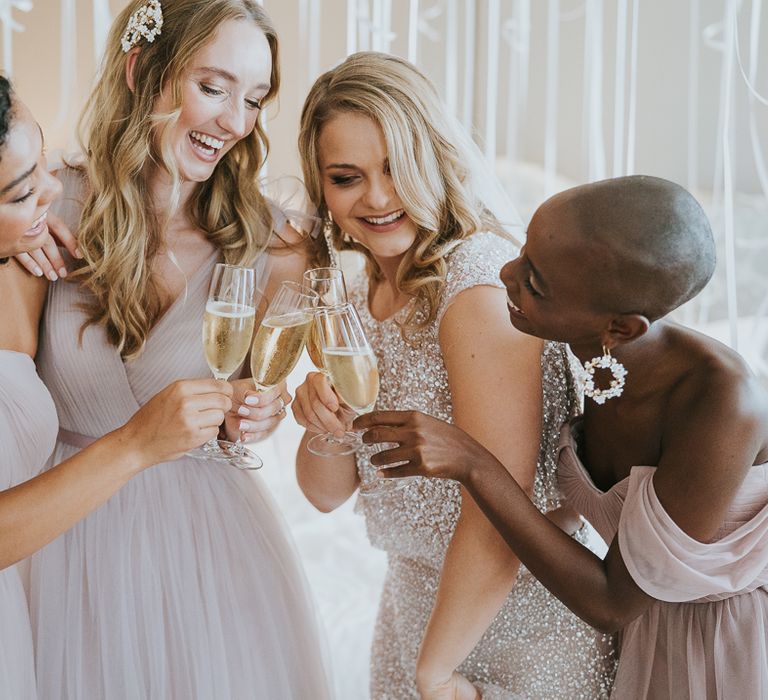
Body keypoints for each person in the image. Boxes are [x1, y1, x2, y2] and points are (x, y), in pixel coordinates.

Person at [357, 175, 768, 699]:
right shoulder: (590, 354)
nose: (506, 272)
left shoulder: (722, 405)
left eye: (536, 282)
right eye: (524, 252)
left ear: (622, 328)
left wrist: (475, 464)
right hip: (638, 633)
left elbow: (611, 602)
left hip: (723, 644)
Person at [290, 51, 615, 700]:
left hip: (515, 635)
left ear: (434, 158)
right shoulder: (354, 301)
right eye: (347, 177)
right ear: (322, 189)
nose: (378, 198)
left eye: (396, 168)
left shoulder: (478, 289)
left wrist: (434, 672)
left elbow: (500, 515)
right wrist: (323, 424)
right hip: (413, 615)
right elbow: (325, 495)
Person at [28, 2, 330, 698]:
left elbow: (250, 394)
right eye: (214, 87)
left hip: (210, 550)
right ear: (143, 69)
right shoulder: (45, 209)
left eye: (254, 100)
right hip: (63, 537)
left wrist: (263, 407)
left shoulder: (275, 244)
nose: (235, 122)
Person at [0, 76, 234, 700]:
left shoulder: (22, 258)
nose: (55, 188)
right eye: (24, 190)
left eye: (42, 158)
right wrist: (134, 444)